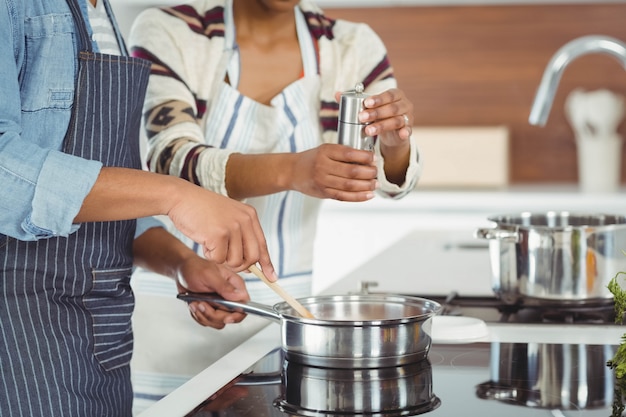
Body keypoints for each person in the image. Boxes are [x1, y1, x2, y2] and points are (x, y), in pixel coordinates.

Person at [125, 0, 421, 410]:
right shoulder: (172, 30)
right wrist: (293, 170)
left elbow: (392, 183)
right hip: (174, 315)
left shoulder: (350, 45)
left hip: (284, 325)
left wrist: (394, 143)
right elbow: (170, 157)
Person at [0, 0, 276, 416]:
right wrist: (176, 194)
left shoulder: (103, 12)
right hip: (22, 337)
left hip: (98, 337)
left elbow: (108, 187)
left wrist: (182, 263)